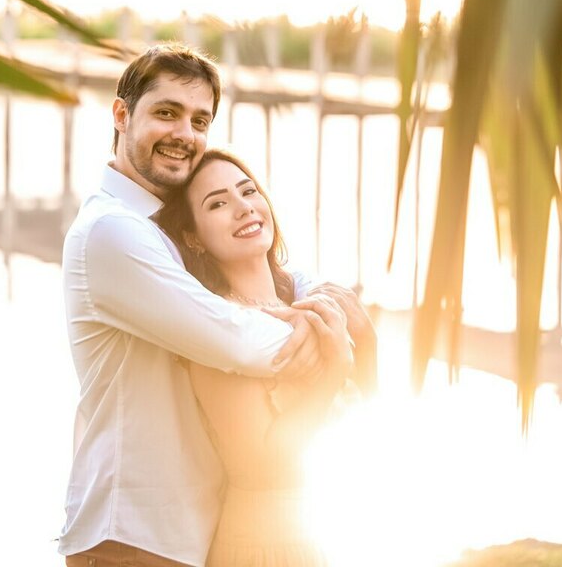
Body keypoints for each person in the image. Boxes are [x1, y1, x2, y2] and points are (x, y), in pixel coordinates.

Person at [59, 44, 335, 567]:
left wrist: (324, 298)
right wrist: (330, 339)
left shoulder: (159, 229)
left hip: (181, 533)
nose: (185, 134)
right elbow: (231, 338)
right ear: (122, 115)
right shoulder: (112, 231)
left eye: (200, 119)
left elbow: (278, 275)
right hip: (133, 537)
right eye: (166, 113)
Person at [158, 149, 378, 567]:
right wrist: (333, 373)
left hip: (334, 529)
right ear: (193, 237)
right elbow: (261, 466)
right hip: (266, 543)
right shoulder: (216, 325)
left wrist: (367, 342)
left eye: (248, 191)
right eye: (218, 203)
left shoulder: (305, 299)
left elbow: (371, 414)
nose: (243, 208)